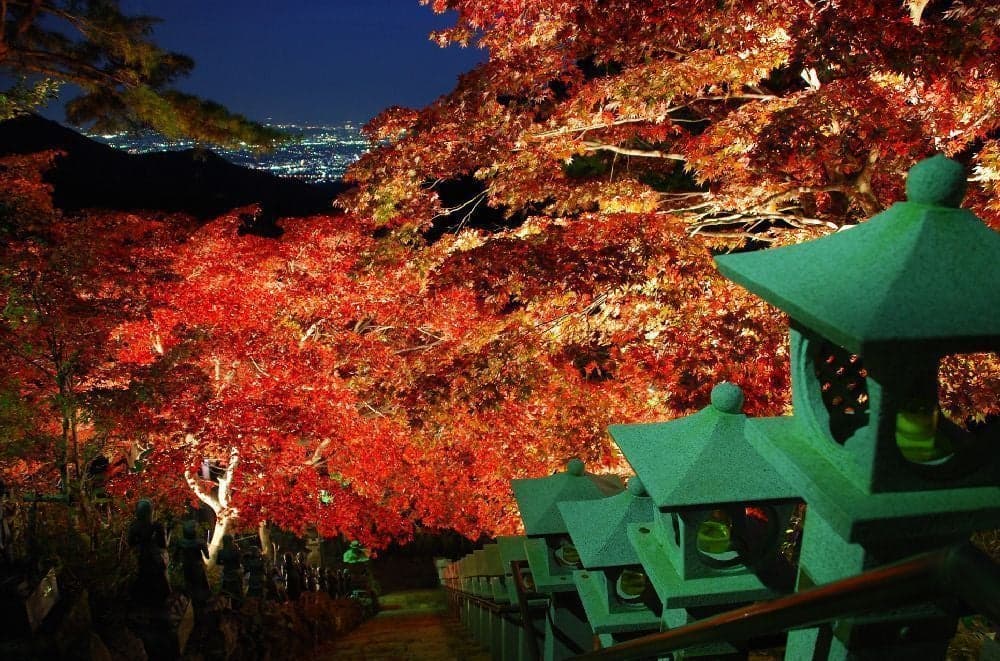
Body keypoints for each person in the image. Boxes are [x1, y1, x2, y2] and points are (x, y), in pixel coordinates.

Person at [127, 499, 170, 607]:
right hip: (157, 561)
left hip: (142, 560)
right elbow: (163, 545)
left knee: (146, 590)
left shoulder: (134, 527)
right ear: (150, 512)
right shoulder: (157, 526)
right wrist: (168, 534)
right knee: (162, 591)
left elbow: (131, 543)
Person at [177, 520, 211, 606]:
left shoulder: (181, 542)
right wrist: (205, 547)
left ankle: (188, 604)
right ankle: (199, 606)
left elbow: (176, 556)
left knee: (188, 585)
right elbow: (207, 556)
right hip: (197, 566)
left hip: (186, 565)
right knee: (199, 586)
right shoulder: (200, 542)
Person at [216, 534, 244, 607]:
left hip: (226, 574)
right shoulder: (235, 551)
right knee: (237, 594)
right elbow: (238, 564)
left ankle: (226, 608)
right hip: (235, 574)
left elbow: (218, 562)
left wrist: (225, 562)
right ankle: (237, 608)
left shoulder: (221, 552)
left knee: (225, 593)